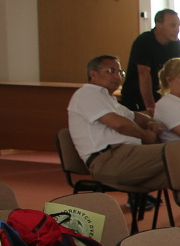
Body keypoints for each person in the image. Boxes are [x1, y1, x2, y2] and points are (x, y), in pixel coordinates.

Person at [66, 54, 169, 207]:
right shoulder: (86, 95)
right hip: (108, 159)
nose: (117, 77)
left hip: (126, 156)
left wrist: (150, 122)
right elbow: (120, 125)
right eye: (111, 71)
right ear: (93, 74)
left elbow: (135, 117)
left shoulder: (109, 99)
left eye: (120, 72)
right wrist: (145, 136)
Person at [123, 9, 180, 114]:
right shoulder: (144, 41)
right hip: (137, 99)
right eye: (173, 25)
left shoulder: (175, 43)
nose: (177, 30)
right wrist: (150, 106)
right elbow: (144, 74)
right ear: (159, 25)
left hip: (162, 96)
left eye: (178, 26)